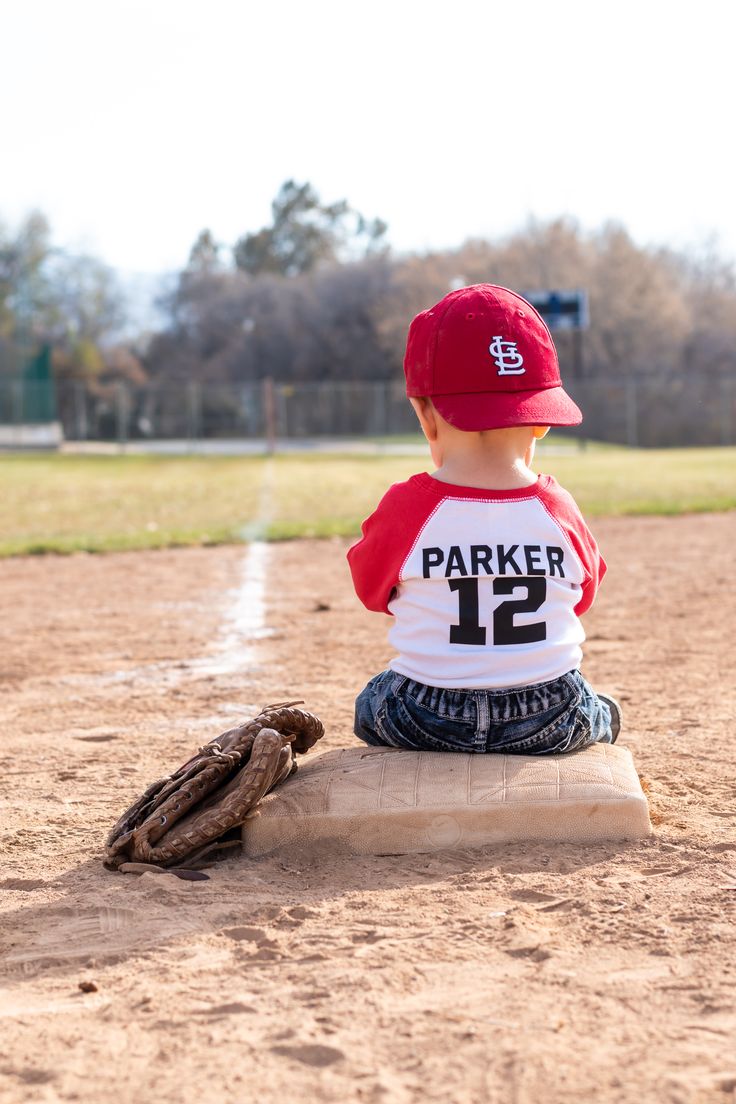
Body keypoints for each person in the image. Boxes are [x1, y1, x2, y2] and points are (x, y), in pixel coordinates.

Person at [347, 283, 620, 755]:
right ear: (541, 421)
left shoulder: (407, 506)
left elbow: (372, 591)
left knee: (371, 702)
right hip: (550, 714)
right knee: (600, 707)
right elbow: (581, 597)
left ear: (424, 417)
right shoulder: (558, 508)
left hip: (425, 713)